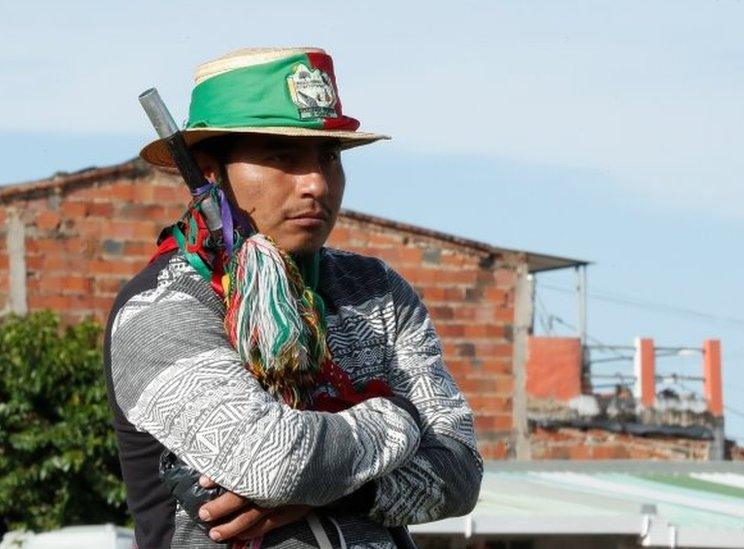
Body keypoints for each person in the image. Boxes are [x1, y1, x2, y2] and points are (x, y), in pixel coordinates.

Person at [103, 47, 483, 549]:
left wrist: (335, 489)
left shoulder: (377, 291)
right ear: (208, 170)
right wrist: (398, 415)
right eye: (283, 157)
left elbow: (458, 473)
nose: (317, 184)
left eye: (328, 157)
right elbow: (274, 462)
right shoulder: (161, 310)